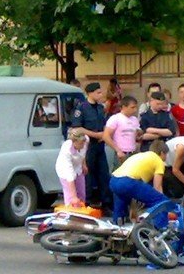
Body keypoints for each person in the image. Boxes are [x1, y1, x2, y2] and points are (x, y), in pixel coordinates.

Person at [70, 81, 112, 211]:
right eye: (98, 92)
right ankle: (86, 203)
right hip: (87, 146)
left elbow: (104, 125)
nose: (100, 95)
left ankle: (106, 204)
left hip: (100, 146)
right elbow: (77, 128)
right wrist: (95, 135)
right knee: (87, 175)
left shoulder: (100, 108)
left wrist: (103, 135)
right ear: (90, 93)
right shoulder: (81, 108)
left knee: (104, 175)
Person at [109, 139, 170, 226]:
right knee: (160, 200)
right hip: (128, 181)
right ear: (162, 153)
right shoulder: (158, 161)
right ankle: (160, 228)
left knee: (121, 202)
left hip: (114, 180)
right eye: (166, 155)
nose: (166, 158)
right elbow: (157, 187)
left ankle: (117, 227)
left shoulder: (140, 155)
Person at [103, 96, 140, 168]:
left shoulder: (135, 119)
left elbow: (136, 135)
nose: (135, 110)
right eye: (132, 107)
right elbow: (106, 136)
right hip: (120, 152)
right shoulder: (115, 118)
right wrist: (118, 150)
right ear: (124, 107)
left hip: (132, 152)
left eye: (136, 107)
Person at [55, 128, 89, 207]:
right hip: (64, 169)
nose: (83, 145)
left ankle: (81, 213)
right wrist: (74, 197)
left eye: (83, 143)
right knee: (70, 196)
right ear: (74, 142)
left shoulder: (86, 140)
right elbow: (70, 176)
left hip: (78, 166)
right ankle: (70, 213)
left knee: (81, 193)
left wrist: (84, 164)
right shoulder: (67, 150)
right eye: (80, 144)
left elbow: (83, 154)